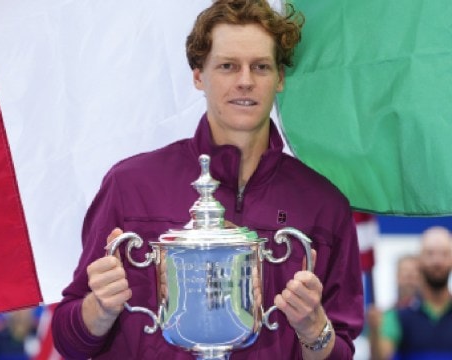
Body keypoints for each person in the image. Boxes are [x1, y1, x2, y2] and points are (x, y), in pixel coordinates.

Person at [51, 0, 363, 358]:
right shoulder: (131, 186)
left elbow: (339, 348)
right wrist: (99, 309)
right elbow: (68, 340)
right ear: (199, 76)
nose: (245, 81)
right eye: (228, 66)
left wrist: (313, 329)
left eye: (260, 67)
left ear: (279, 78)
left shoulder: (323, 205)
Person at [378, 226, 452, 360]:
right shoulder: (397, 315)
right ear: (419, 261)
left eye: (444, 254)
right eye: (430, 254)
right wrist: (374, 333)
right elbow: (381, 356)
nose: (437, 261)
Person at [367, 255, 421, 360]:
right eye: (405, 273)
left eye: (415, 273)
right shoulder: (389, 316)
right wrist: (374, 330)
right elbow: (381, 356)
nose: (410, 278)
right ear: (397, 277)